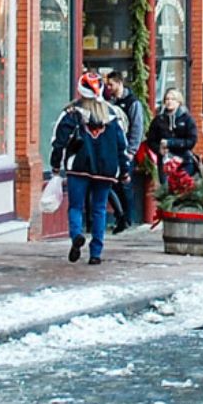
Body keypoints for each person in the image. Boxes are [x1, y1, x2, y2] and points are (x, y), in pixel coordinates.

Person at [50, 73, 130, 265]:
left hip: (78, 166)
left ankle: (77, 234)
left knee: (76, 206)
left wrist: (55, 165)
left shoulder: (71, 113)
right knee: (99, 209)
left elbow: (58, 141)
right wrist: (125, 170)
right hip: (106, 168)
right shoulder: (112, 113)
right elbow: (122, 145)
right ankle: (96, 252)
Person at [104, 71, 143, 233]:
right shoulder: (109, 102)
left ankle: (128, 218)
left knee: (125, 184)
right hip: (112, 150)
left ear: (119, 83)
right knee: (114, 184)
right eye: (107, 85)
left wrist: (131, 151)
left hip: (125, 151)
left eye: (111, 84)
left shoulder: (132, 103)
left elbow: (137, 127)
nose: (108, 88)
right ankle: (121, 218)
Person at [145, 86, 199, 175]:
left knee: (183, 186)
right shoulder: (158, 120)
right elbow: (150, 140)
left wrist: (170, 143)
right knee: (166, 188)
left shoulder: (187, 119)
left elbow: (192, 141)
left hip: (184, 160)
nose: (169, 101)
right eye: (167, 99)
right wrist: (159, 149)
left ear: (178, 102)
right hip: (165, 161)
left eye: (173, 99)